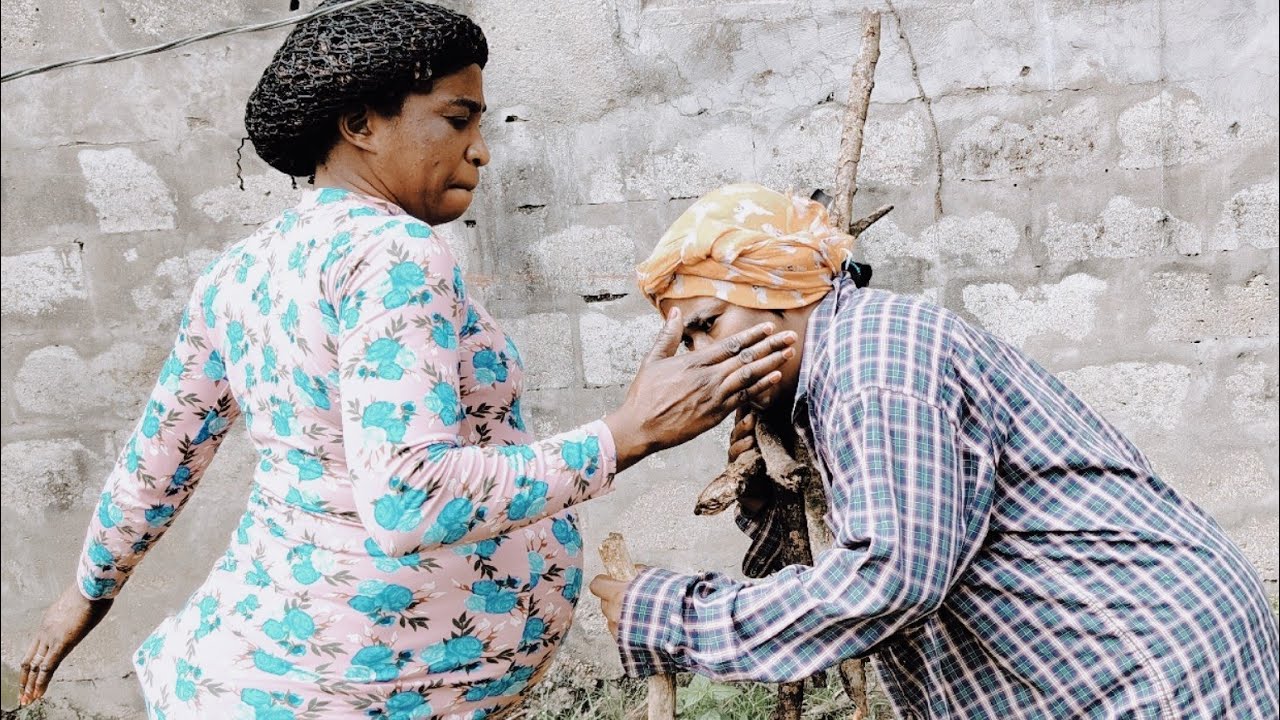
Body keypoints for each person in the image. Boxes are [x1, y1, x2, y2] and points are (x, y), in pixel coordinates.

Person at [16, 5, 798, 717]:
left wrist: (86, 593)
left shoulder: (243, 270)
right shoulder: (392, 253)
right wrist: (625, 435)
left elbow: (161, 454)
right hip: (344, 695)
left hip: (257, 682)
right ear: (361, 123)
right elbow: (410, 499)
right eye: (457, 120)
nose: (481, 151)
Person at [590, 183, 1280, 718]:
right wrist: (771, 483)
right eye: (684, 342)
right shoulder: (830, 376)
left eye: (706, 326)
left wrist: (673, 614)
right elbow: (838, 557)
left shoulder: (872, 362)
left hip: (1142, 668)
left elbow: (885, 582)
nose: (696, 360)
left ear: (779, 292)